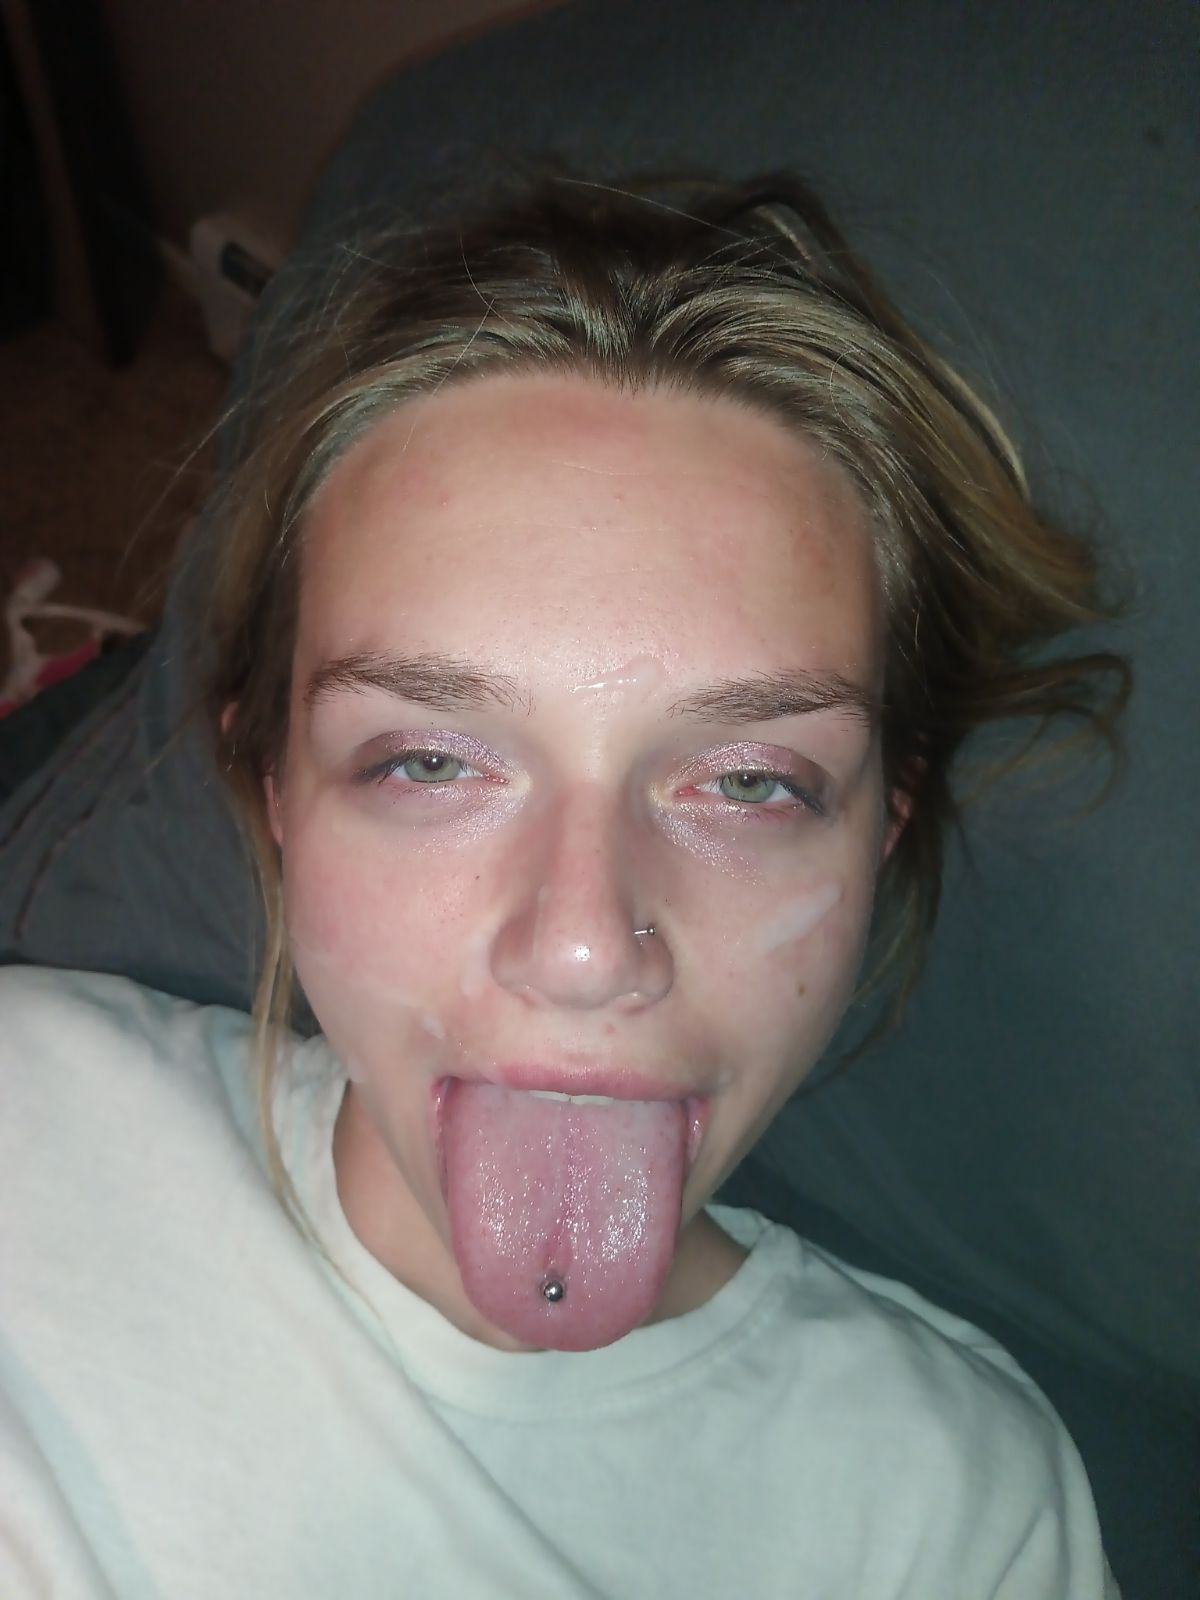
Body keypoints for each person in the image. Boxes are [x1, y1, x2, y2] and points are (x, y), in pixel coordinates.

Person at [0, 171, 1128, 1596]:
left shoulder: (953, 1516)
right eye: (428, 762)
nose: (586, 946)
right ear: (275, 790)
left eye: (749, 782)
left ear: (881, 834)